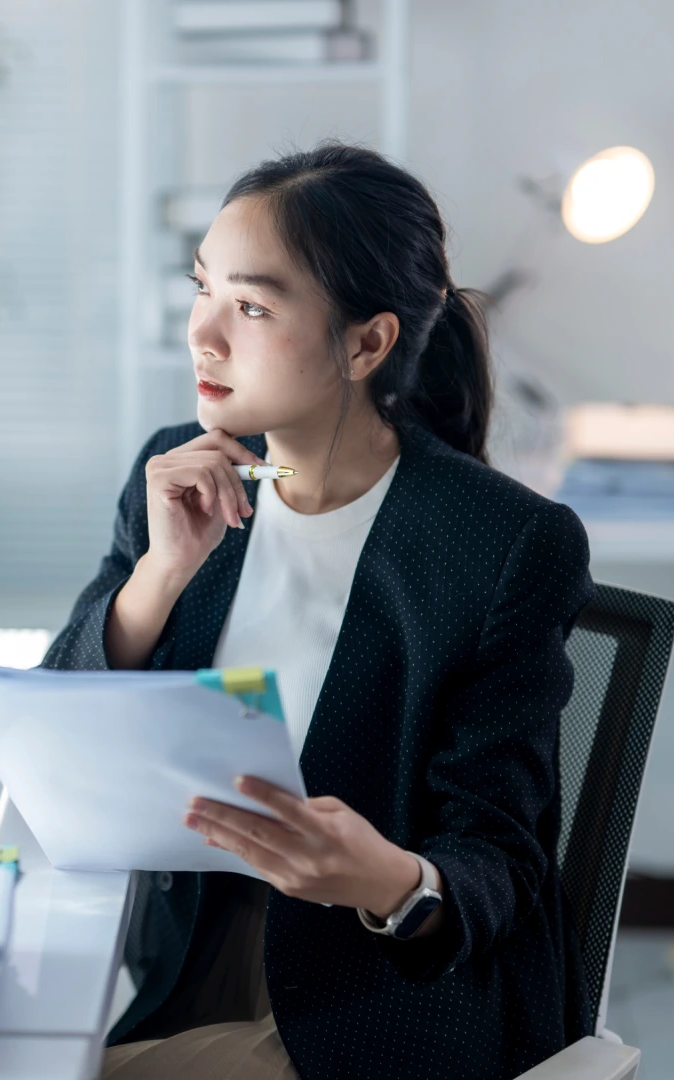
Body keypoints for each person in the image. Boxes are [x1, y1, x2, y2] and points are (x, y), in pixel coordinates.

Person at [42, 144, 595, 1080]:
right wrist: (161, 575)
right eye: (202, 289)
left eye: (252, 307)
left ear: (366, 343)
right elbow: (61, 724)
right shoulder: (180, 468)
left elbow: (498, 858)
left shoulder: (500, 545)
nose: (204, 335)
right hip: (186, 957)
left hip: (374, 999)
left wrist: (384, 876)